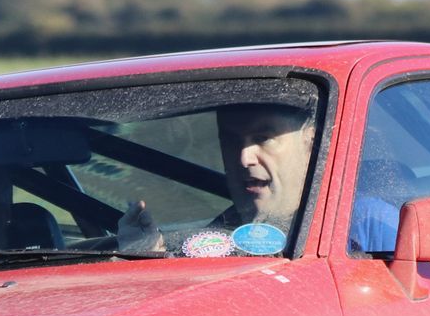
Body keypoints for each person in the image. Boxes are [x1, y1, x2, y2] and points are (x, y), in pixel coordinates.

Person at [118, 101, 318, 254]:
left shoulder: (343, 236)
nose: (244, 158)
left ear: (310, 143)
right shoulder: (203, 241)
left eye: (263, 138)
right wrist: (143, 258)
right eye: (231, 141)